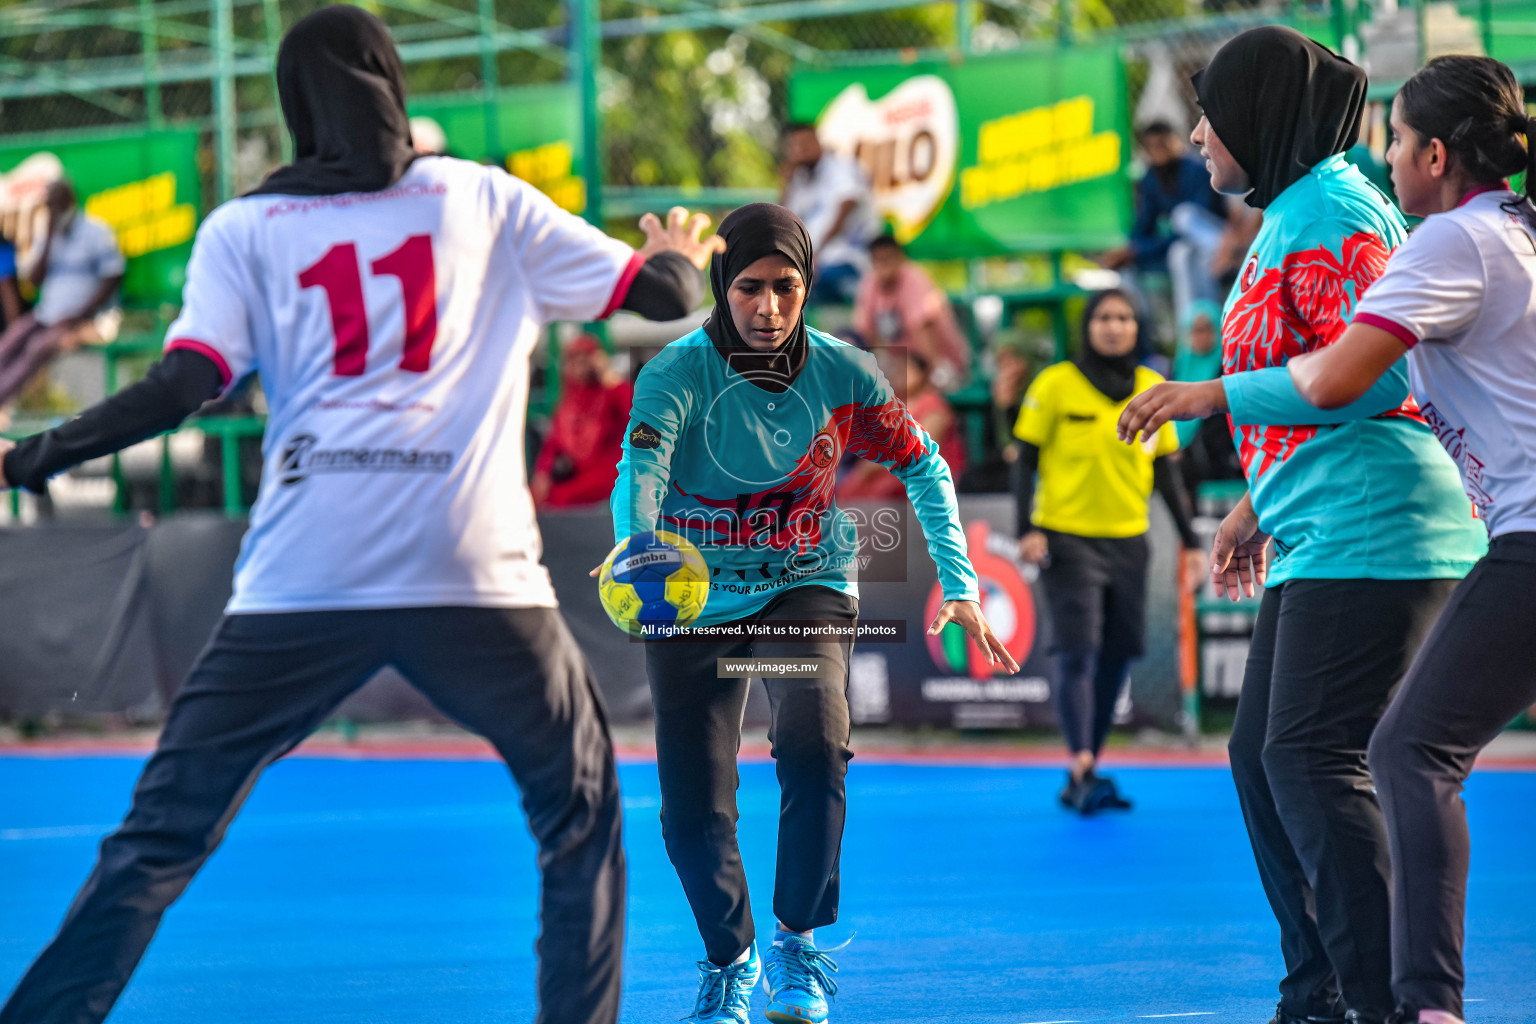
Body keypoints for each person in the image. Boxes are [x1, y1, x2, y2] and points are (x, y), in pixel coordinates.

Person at [0, 8, 718, 1024]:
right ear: (394, 84)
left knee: (159, 837)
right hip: (474, 575)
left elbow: (182, 385)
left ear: (297, 108)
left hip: (303, 576)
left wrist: (32, 453)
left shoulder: (244, 227)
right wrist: (678, 248)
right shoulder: (482, 199)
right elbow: (664, 292)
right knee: (580, 809)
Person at [1115, 27, 1487, 1024]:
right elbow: (1317, 383)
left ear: (1259, 118)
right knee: (1263, 754)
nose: (1195, 134)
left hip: (1378, 523)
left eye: (1212, 113)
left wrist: (1211, 393)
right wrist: (1254, 503)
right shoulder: (1294, 211)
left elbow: (1389, 370)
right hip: (1326, 518)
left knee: (1312, 758)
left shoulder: (1330, 209)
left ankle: (1380, 1000)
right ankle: (1321, 984)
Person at [609, 203, 1017, 1024]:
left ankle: (797, 946)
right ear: (723, 287)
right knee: (692, 808)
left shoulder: (845, 371)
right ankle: (731, 960)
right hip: (694, 598)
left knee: (813, 734)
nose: (769, 307)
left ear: (806, 287)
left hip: (804, 583)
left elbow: (926, 466)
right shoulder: (675, 374)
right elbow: (640, 476)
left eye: (787, 288)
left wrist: (962, 584)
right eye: (751, 288)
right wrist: (638, 551)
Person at [1280, 56, 1536, 1024]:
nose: (1384, 157)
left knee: (1412, 753)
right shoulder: (1516, 232)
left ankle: (1427, 1005)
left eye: (1393, 139)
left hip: (1530, 537)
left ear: (1435, 152)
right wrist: (1258, 505)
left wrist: (1211, 393)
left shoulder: (1450, 243)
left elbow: (1339, 381)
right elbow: (1403, 397)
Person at [1013, 289, 1204, 814]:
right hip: (1066, 538)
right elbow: (1024, 462)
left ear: (1138, 326)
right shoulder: (1054, 384)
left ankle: (1090, 763)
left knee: (1118, 653)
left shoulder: (1152, 387)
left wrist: (1190, 542)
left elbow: (1167, 471)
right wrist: (1025, 528)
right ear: (1087, 326)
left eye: (1124, 317)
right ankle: (1079, 764)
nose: (1114, 326)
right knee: (1078, 650)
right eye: (1103, 317)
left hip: (1130, 540)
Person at [0, 179, 125, 408]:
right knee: (11, 340)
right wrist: (48, 237)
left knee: (37, 347)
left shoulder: (94, 231)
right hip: (48, 315)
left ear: (70, 202)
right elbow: (35, 280)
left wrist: (80, 315)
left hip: (87, 320)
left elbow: (113, 278)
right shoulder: (46, 235)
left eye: (56, 204)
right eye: (49, 206)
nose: (53, 210)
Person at [1101, 121, 1228, 316]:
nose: (1157, 152)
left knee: (1183, 216)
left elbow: (1196, 223)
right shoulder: (1151, 177)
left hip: (1213, 238)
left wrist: (1140, 250)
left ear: (1175, 141)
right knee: (1176, 256)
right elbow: (1145, 224)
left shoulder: (1196, 169)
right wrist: (1130, 249)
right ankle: (1181, 331)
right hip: (1180, 245)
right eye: (1151, 147)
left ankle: (1211, 321)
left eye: (1162, 145)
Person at [837, 350, 965, 501]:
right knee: (848, 488)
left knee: (880, 491)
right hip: (891, 468)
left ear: (922, 373)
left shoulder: (934, 405)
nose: (900, 374)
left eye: (907, 369)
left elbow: (921, 449)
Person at [851, 234, 968, 389]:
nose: (884, 266)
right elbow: (864, 332)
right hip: (902, 364)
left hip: (941, 362)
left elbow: (923, 331)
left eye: (888, 259)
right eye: (879, 260)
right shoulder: (870, 283)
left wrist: (927, 376)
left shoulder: (914, 279)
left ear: (900, 258)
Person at [780, 124, 878, 305]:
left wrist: (813, 256)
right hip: (815, 262)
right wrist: (786, 181)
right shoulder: (800, 179)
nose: (801, 150)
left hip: (849, 261)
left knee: (796, 286)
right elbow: (782, 219)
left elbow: (846, 206)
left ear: (818, 141)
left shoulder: (842, 168)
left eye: (806, 143)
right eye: (795, 146)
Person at [531, 334, 632, 508]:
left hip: (609, 472)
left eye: (583, 359)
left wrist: (609, 377)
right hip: (576, 472)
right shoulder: (571, 397)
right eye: (572, 360)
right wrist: (543, 473)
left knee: (559, 498)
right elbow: (554, 442)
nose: (577, 366)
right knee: (534, 497)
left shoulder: (613, 391)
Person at [1169, 299, 1242, 493]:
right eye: (1194, 330)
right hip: (1192, 474)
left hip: (1230, 470)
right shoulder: (1179, 369)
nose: (1200, 337)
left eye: (1206, 329)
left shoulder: (1231, 368)